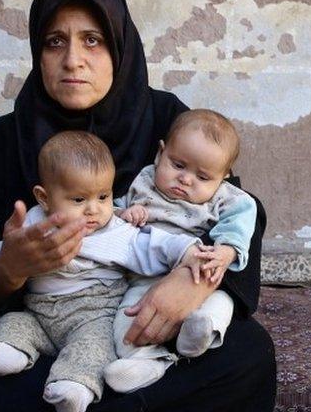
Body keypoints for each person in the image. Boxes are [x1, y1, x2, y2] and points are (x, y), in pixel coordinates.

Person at [0, 0, 277, 410]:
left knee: (246, 354)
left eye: (92, 41)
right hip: (49, 327)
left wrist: (189, 284)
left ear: (120, 47)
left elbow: (239, 211)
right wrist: (9, 270)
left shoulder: (165, 119)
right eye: (54, 42)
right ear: (37, 53)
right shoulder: (6, 142)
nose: (73, 61)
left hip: (148, 321)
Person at [0, 131, 205, 412]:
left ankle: (74, 387)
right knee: (14, 323)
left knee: (92, 349)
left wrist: (191, 252)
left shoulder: (116, 231)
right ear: (44, 197)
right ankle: (8, 352)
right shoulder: (36, 221)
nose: (94, 210)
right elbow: (4, 250)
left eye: (103, 196)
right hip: (38, 311)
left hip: (93, 314)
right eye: (78, 200)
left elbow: (155, 244)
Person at [104, 109, 257, 393]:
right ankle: (146, 362)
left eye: (202, 176)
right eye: (178, 165)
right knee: (128, 319)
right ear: (160, 153)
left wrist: (227, 251)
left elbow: (243, 216)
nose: (186, 180)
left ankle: (200, 333)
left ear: (223, 178)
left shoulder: (225, 197)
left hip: (196, 274)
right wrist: (125, 212)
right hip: (145, 278)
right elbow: (106, 213)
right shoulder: (144, 181)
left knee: (222, 301)